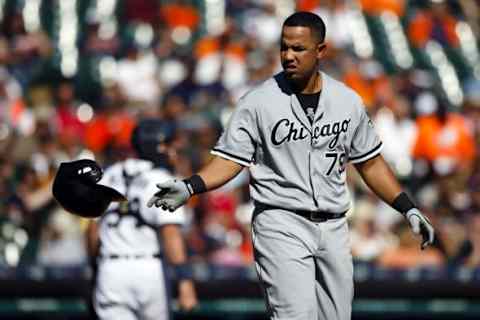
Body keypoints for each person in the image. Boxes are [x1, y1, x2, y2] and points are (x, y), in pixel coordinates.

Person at [147, 12, 434, 320]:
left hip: (334, 225)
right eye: (284, 47)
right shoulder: (257, 102)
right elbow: (231, 160)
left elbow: (371, 164)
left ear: (320, 51)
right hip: (280, 221)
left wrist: (408, 208)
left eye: (298, 48)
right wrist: (191, 186)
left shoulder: (347, 101)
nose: (288, 55)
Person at [86, 118, 197, 320]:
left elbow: (92, 232)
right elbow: (171, 234)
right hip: (149, 270)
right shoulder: (162, 179)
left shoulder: (109, 175)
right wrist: (185, 281)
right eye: (170, 145)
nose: (175, 151)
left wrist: (96, 269)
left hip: (111, 270)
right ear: (159, 147)